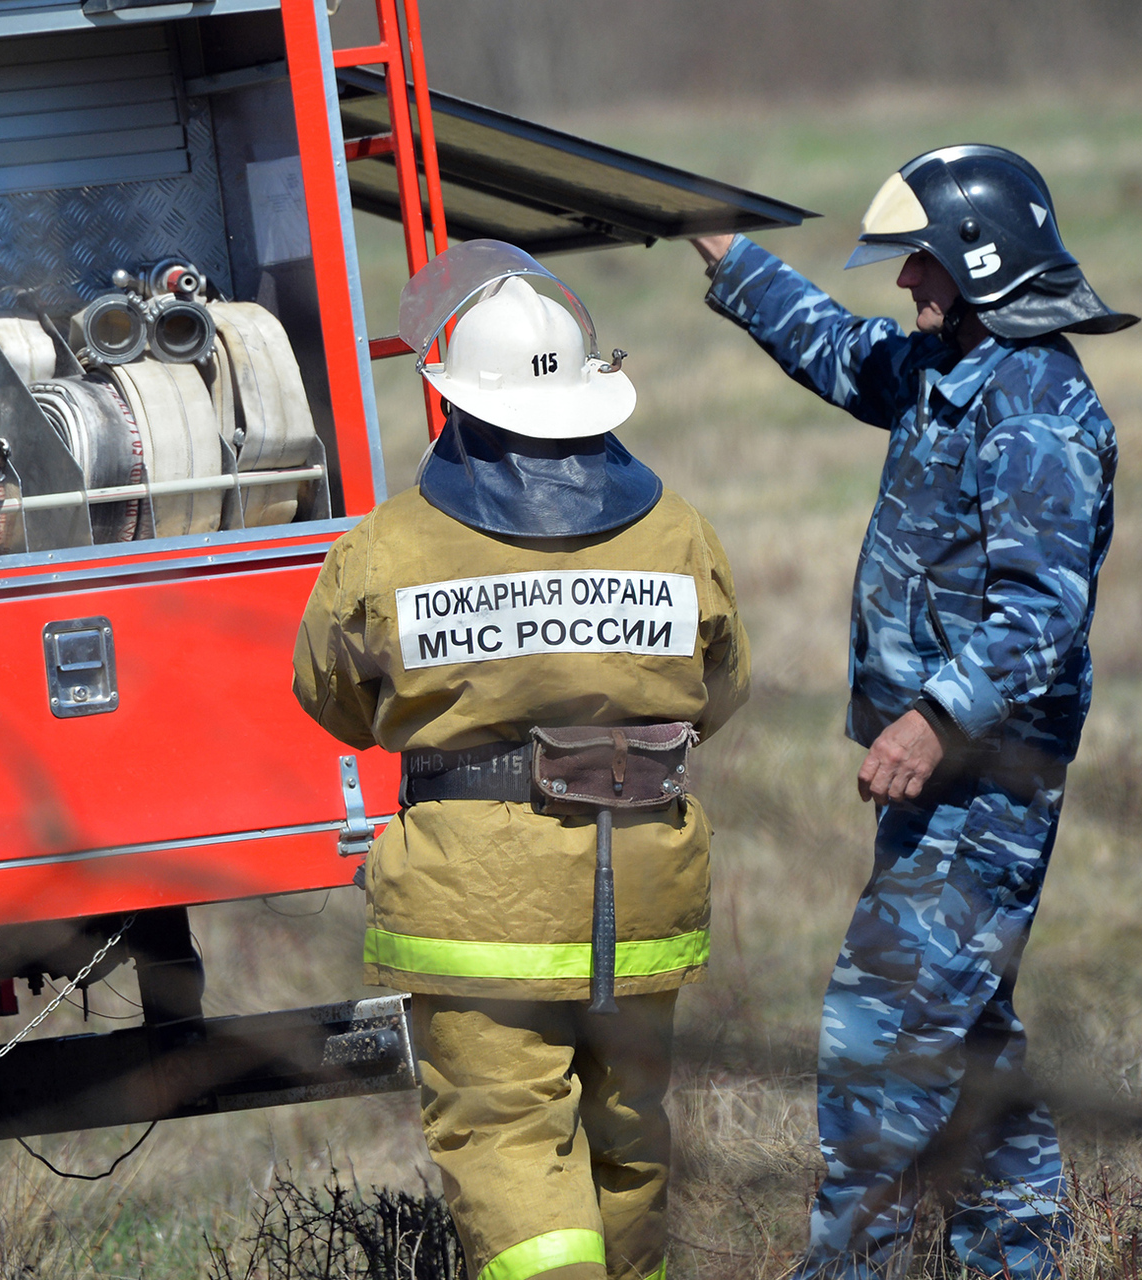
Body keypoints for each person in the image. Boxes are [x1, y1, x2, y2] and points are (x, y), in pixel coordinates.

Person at [691, 144, 1136, 1280]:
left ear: (980, 265)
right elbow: (840, 354)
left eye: (923, 264)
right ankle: (1015, 1256)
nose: (906, 286)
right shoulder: (953, 365)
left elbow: (1040, 618)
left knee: (881, 1033)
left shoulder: (1035, 405)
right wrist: (730, 257)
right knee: (964, 1029)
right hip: (941, 781)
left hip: (986, 779)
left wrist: (931, 721)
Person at [294, 241, 749, 1280]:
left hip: (475, 903)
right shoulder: (677, 529)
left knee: (506, 1141)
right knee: (629, 1139)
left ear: (459, 403)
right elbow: (719, 689)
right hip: (642, 886)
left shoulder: (388, 545)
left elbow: (331, 698)